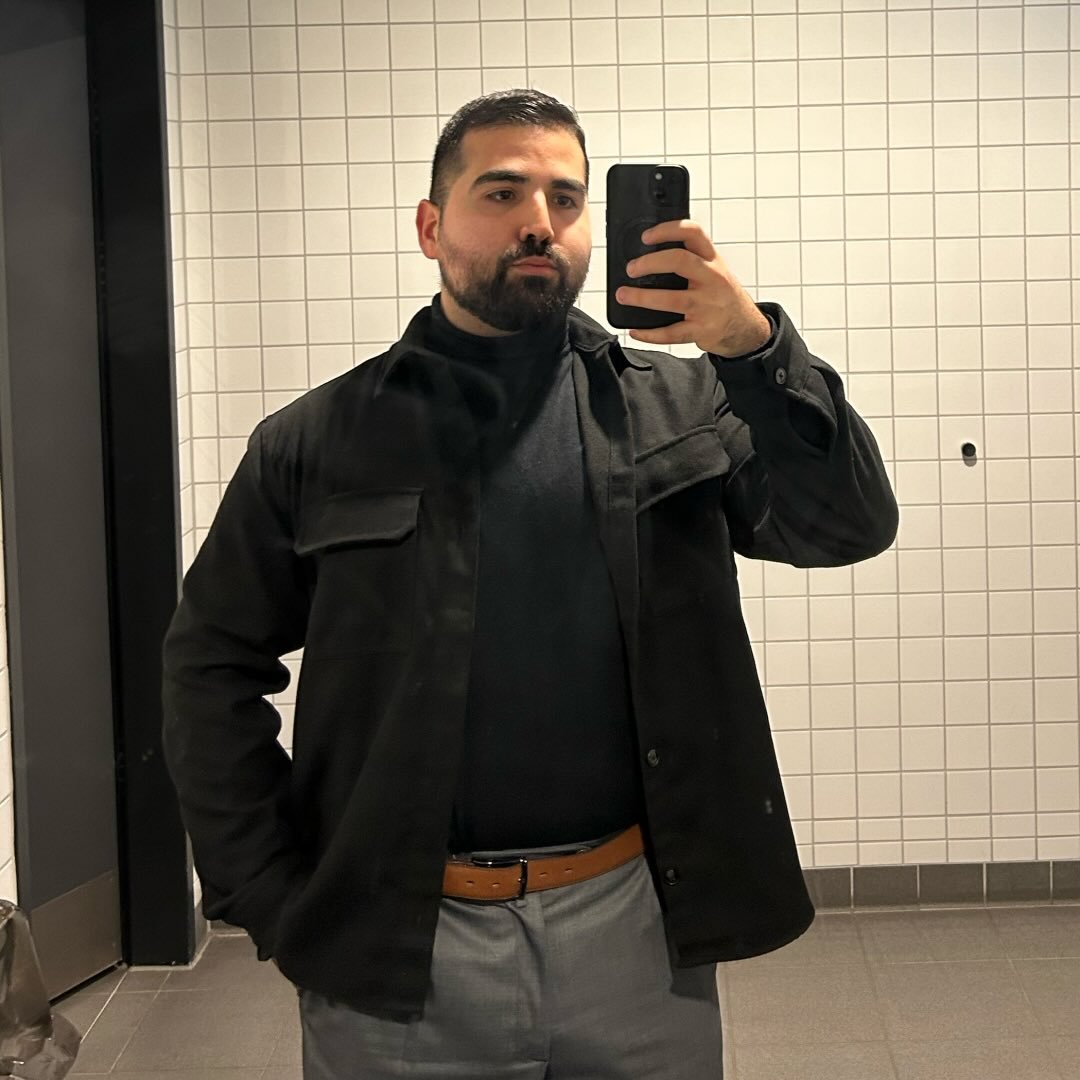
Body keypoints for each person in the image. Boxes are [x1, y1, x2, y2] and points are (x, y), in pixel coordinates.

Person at [162, 89, 898, 1078]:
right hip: (396, 943)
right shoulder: (318, 440)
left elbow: (846, 526)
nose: (539, 221)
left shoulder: (686, 406)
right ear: (431, 227)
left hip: (637, 928)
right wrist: (270, 894)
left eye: (566, 198)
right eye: (502, 192)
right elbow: (209, 666)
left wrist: (754, 348)